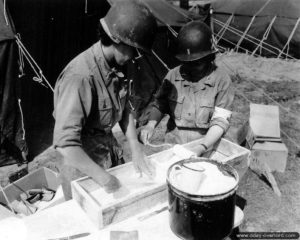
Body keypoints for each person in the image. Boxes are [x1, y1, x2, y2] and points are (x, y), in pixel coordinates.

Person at [53, 1, 157, 199]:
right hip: (82, 168)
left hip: (107, 151)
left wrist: (135, 146)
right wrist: (105, 179)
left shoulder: (118, 64)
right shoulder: (80, 77)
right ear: (115, 38)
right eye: (133, 50)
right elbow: (65, 145)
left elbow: (125, 108)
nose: (135, 57)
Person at [140, 20, 234, 156]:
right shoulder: (173, 75)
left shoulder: (221, 80)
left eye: (197, 63)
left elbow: (220, 122)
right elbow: (160, 104)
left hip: (207, 146)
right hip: (175, 146)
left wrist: (201, 147)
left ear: (208, 57)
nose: (191, 67)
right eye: (187, 63)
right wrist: (150, 125)